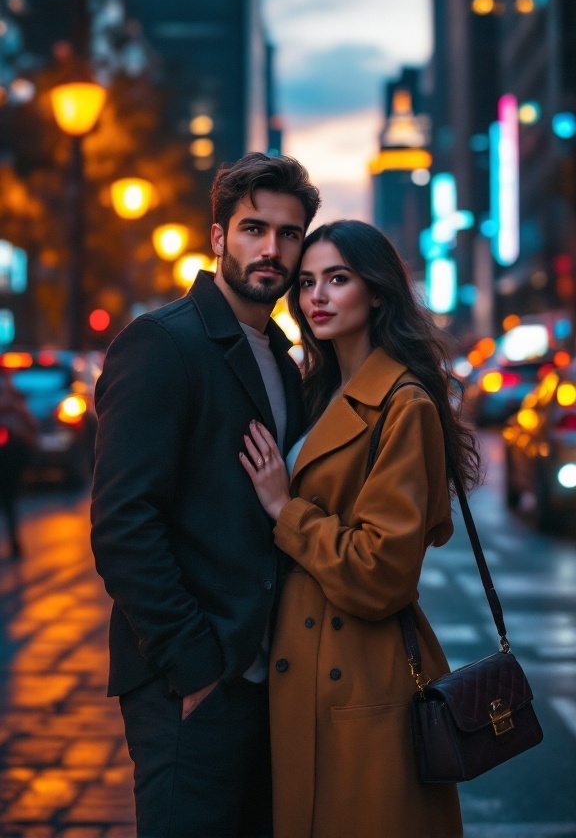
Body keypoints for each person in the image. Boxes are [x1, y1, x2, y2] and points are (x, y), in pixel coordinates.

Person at [90, 152, 321, 838]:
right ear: (218, 237)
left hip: (266, 685)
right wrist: (194, 669)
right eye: (254, 229)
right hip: (191, 684)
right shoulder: (162, 343)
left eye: (288, 234)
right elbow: (124, 524)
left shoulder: (281, 357)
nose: (271, 249)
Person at [240, 219, 480, 838]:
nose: (316, 296)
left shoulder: (405, 404)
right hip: (304, 667)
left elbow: (383, 573)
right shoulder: (315, 391)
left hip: (361, 676)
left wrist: (283, 508)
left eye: (338, 279)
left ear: (376, 292)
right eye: (309, 282)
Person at [0, 366, 38, 559]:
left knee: (8, 498)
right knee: (8, 499)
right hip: (11, 453)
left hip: (10, 454)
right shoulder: (12, 398)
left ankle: (15, 542)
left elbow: (31, 424)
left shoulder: (14, 398)